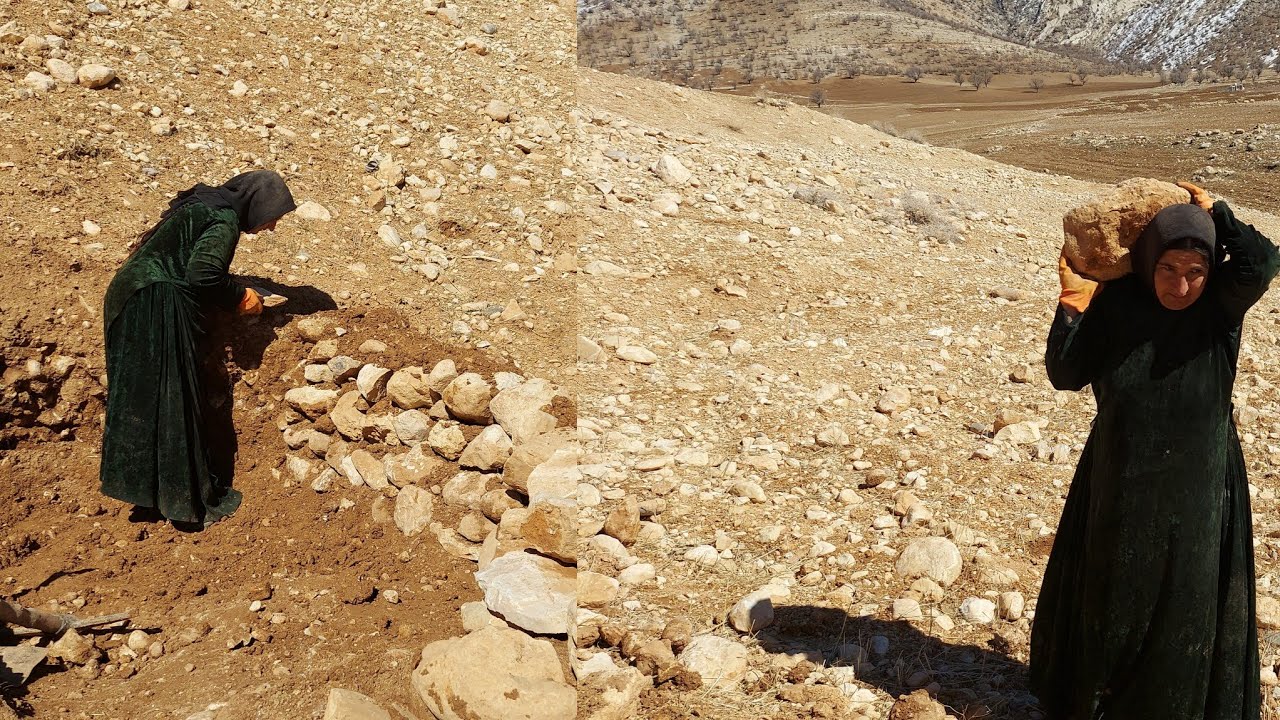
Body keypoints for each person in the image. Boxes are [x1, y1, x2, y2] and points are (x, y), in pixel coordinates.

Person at [1030, 181, 1280, 718]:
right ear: (1147, 262)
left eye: (1196, 271)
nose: (1182, 285)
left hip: (1200, 480)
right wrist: (1072, 305)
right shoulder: (1117, 303)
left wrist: (1221, 212)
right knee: (1114, 592)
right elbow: (1066, 373)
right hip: (1120, 472)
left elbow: (1263, 262)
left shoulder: (1219, 307)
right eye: (1168, 268)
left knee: (1185, 599)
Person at [99, 170, 296, 528]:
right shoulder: (223, 221)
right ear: (259, 206)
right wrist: (242, 297)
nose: (272, 227)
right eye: (274, 217)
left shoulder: (203, 205)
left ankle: (147, 492)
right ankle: (183, 500)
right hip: (155, 304)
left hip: (129, 295)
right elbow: (203, 273)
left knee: (144, 399)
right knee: (175, 398)